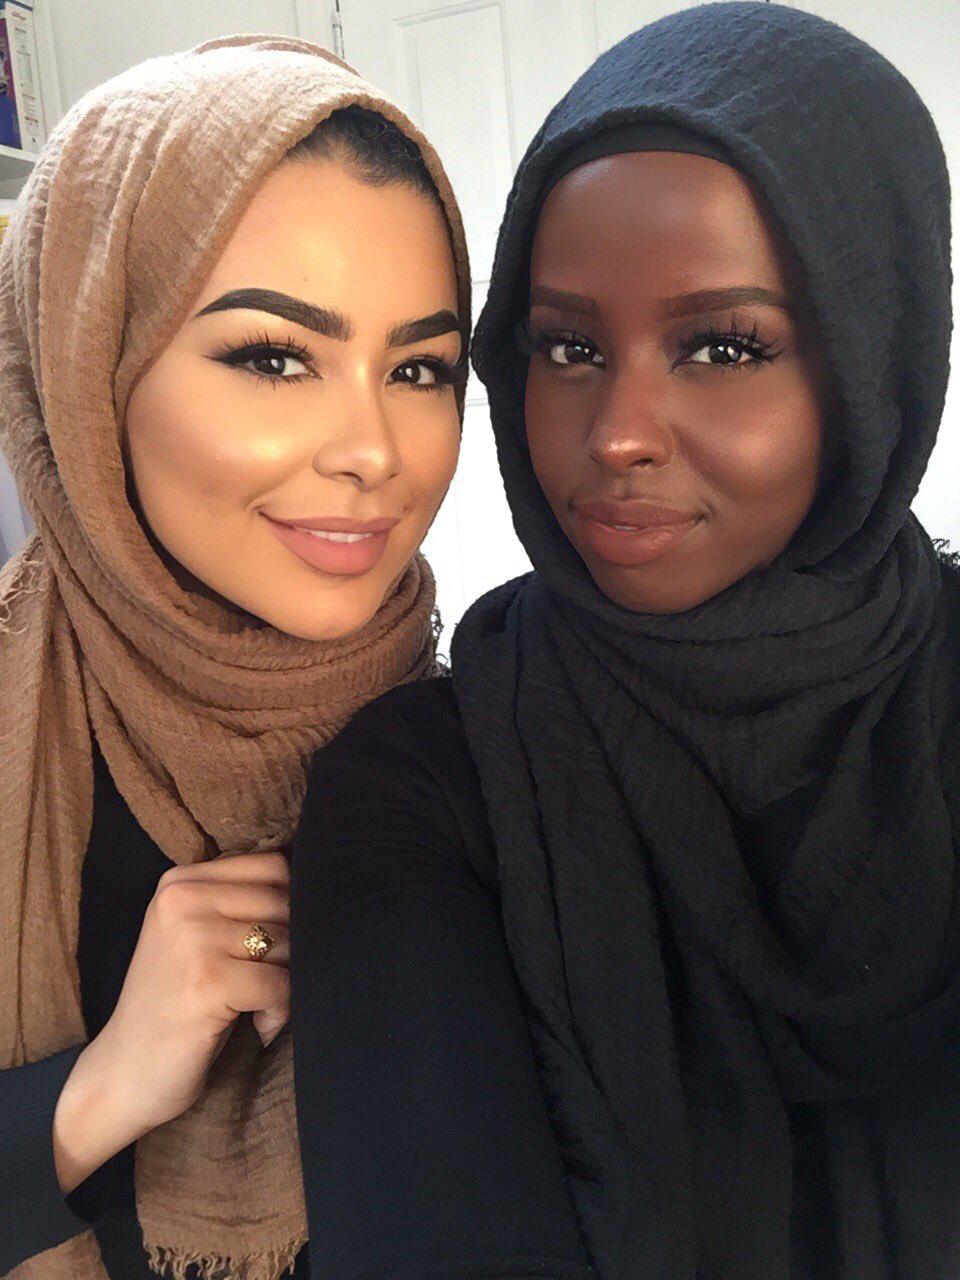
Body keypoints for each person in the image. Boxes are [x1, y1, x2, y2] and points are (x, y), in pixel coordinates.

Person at [291, 4, 960, 1278]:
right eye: (570, 347)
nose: (617, 433)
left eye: (724, 345)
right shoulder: (425, 780)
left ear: (875, 365)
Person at [0, 32, 470, 1280]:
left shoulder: (491, 745)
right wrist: (96, 1089)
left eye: (419, 366)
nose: (376, 450)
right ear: (91, 365)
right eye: (275, 356)